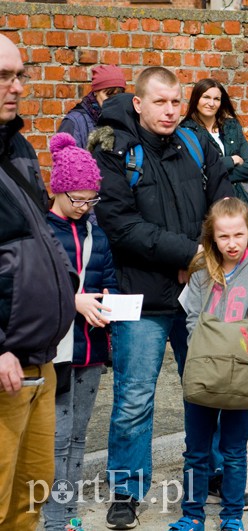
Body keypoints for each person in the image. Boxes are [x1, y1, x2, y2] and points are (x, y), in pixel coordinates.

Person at [90, 66, 234, 530]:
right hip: (140, 294)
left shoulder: (195, 141)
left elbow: (224, 204)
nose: (170, 111)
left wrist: (205, 255)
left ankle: (212, 474)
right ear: (138, 103)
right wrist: (189, 253)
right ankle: (127, 490)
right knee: (134, 398)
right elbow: (120, 224)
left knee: (209, 388)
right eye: (160, 102)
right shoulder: (114, 149)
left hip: (199, 290)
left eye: (175, 102)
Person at [0, 34, 76, 529]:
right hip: (4, 368)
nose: (18, 87)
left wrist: (67, 284)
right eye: (4, 77)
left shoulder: (19, 147)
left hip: (40, 362)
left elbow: (40, 233)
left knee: (30, 497)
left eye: (19, 75)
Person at [170, 197, 248, 531]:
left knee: (234, 450)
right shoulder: (202, 268)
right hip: (203, 369)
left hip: (242, 369)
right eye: (224, 236)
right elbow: (192, 319)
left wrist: (229, 350)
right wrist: (205, 353)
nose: (232, 243)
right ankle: (192, 515)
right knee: (196, 450)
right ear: (212, 237)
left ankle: (232, 515)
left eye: (238, 235)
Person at [41, 133, 118, 531]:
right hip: (56, 351)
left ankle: (68, 511)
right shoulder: (41, 233)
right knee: (56, 438)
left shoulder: (96, 234)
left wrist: (109, 301)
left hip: (92, 348)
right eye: (79, 200)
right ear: (59, 190)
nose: (86, 207)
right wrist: (75, 301)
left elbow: (108, 281)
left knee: (78, 437)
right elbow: (33, 290)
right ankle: (53, 518)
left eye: (92, 200)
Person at [180, 78, 248, 191]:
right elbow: (194, 171)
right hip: (210, 199)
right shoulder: (186, 132)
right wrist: (232, 160)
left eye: (216, 99)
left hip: (238, 198)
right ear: (196, 99)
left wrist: (216, 176)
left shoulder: (231, 127)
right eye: (206, 97)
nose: (211, 103)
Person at [58, 64, 126, 149]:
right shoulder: (74, 122)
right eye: (109, 95)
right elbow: (64, 156)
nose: (113, 101)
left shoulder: (125, 120)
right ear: (95, 92)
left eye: (118, 96)